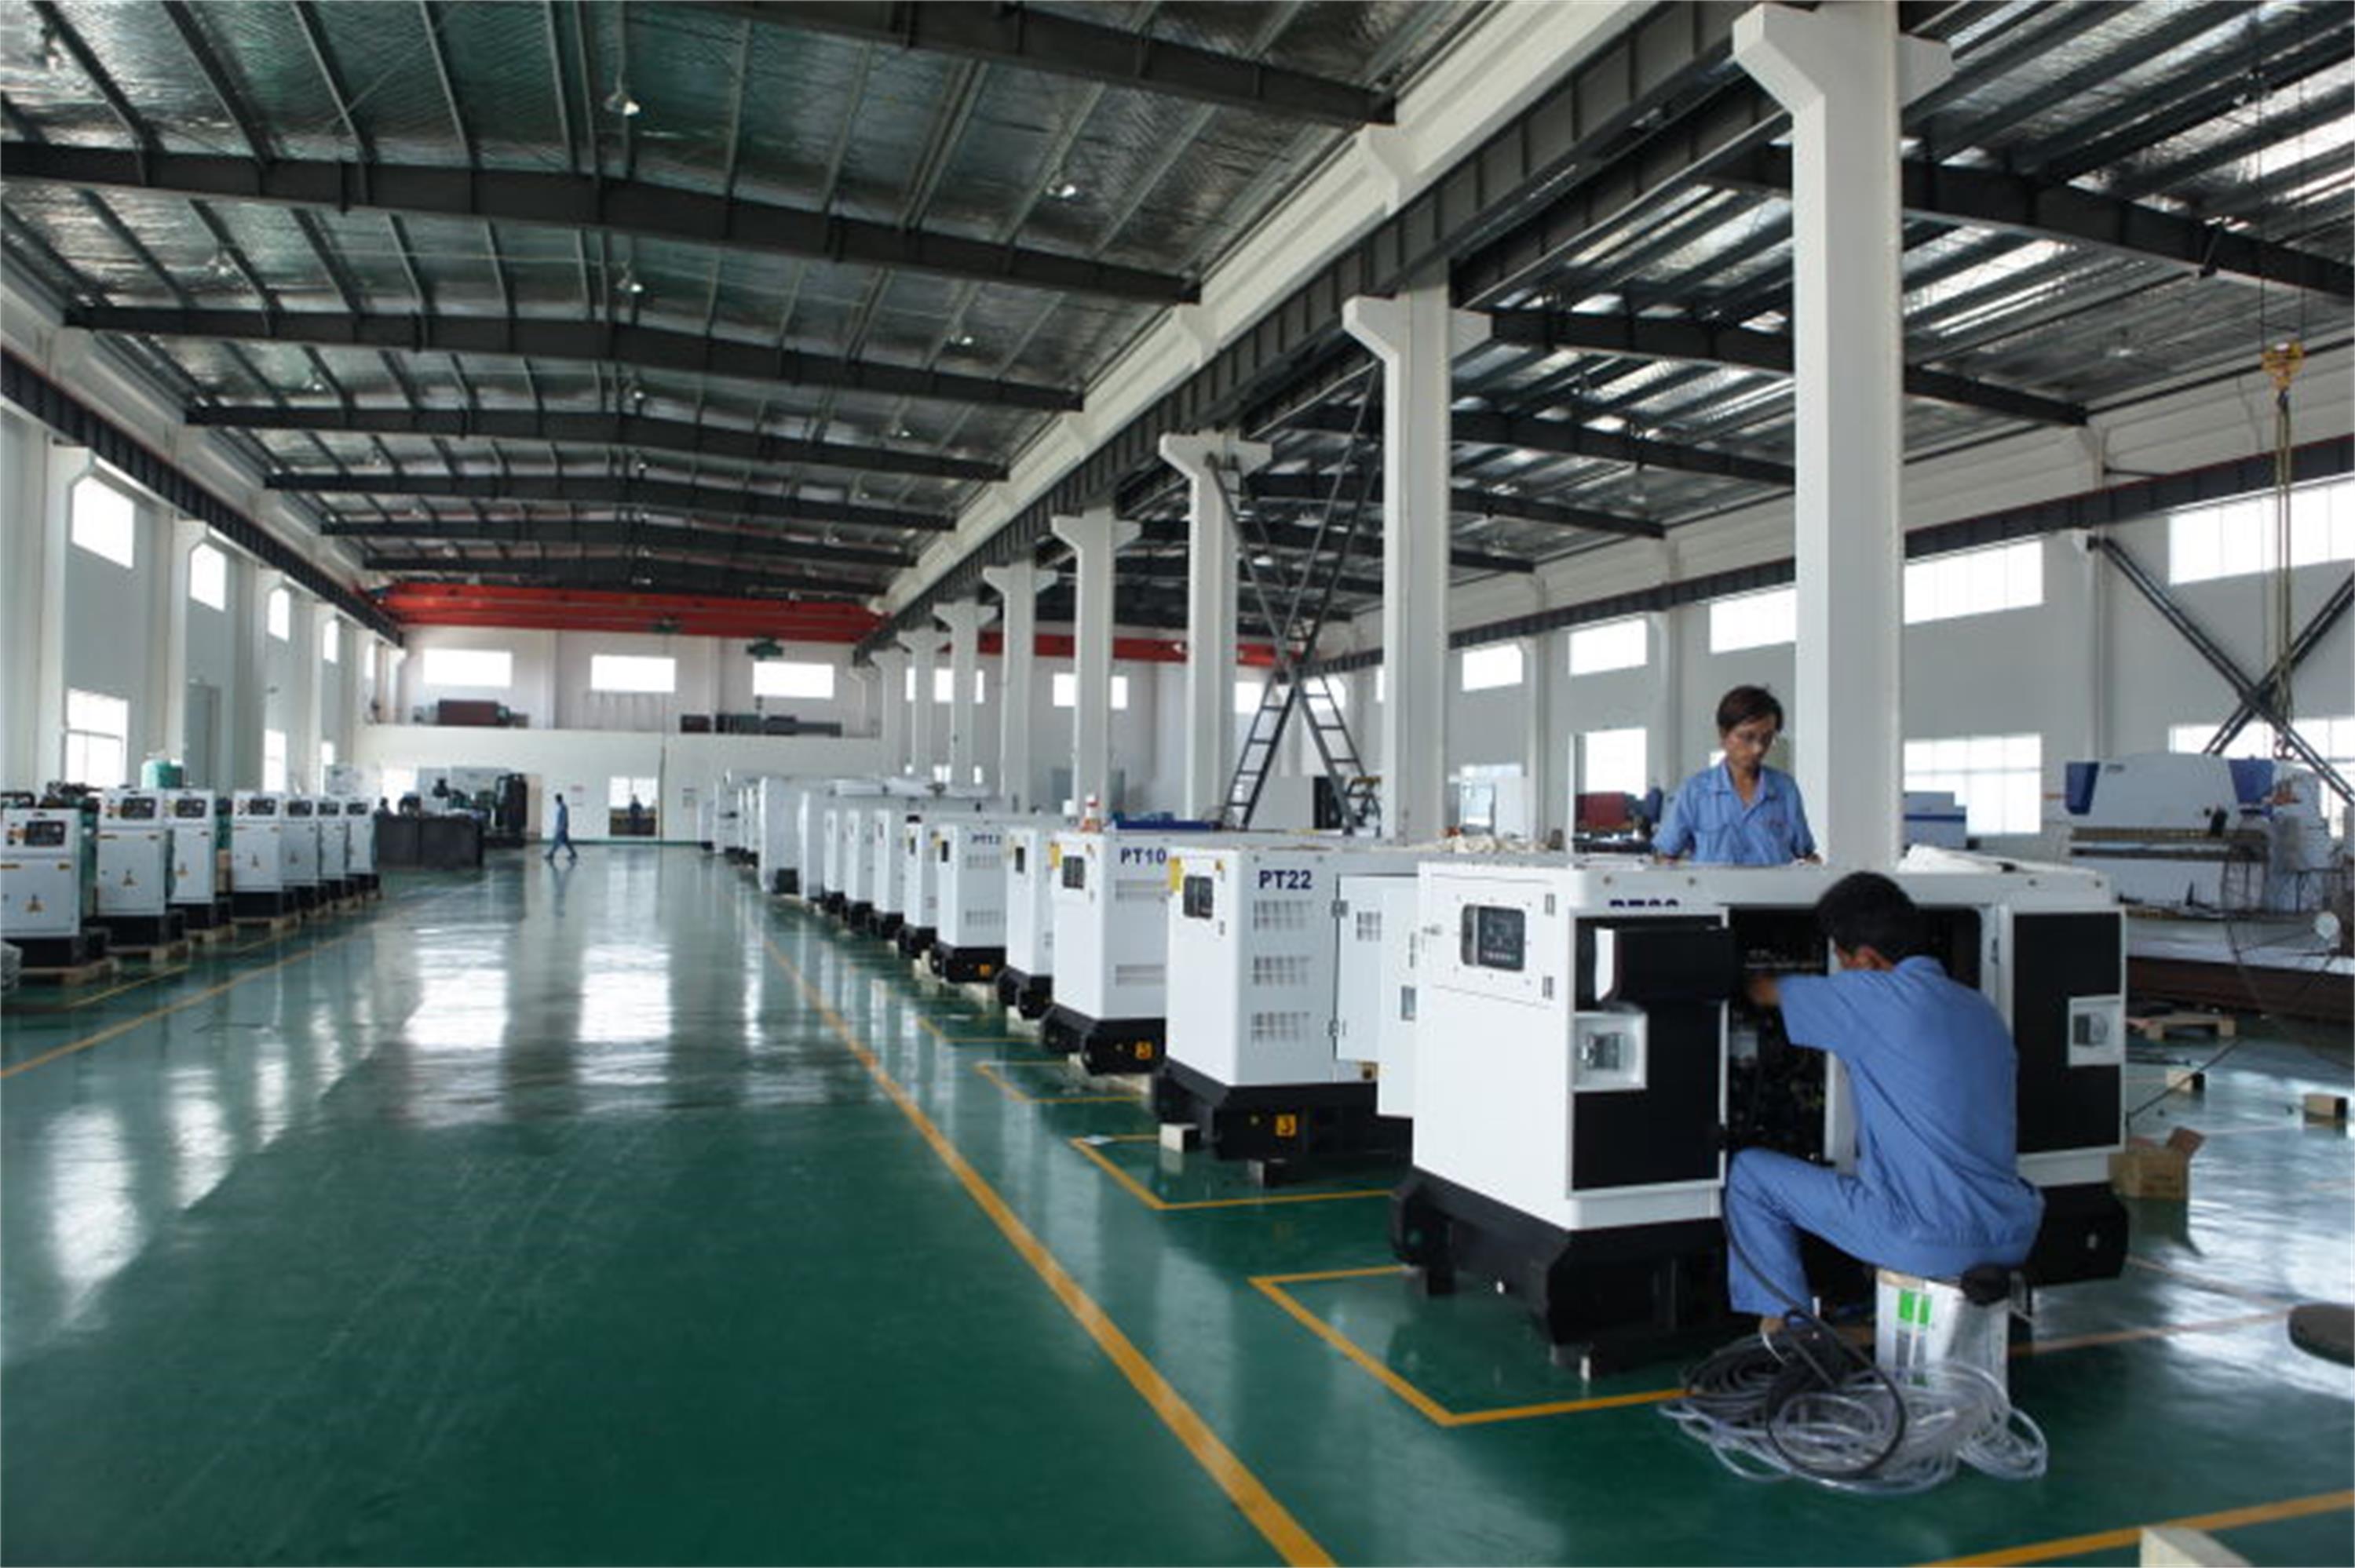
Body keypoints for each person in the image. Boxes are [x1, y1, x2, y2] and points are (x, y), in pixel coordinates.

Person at [1726, 873, 2043, 1331]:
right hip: (2012, 1230)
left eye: (1841, 960)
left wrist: (1735, 964)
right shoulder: (1980, 1009)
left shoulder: (1870, 998)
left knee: (1750, 1176)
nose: (1842, 971)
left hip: (1925, 1237)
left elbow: (1763, 992)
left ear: (1867, 960)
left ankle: (1787, 1334)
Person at [1654, 685, 1816, 865]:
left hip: (1775, 885)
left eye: (1767, 738)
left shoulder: (1785, 789)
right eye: (1747, 737)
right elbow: (1665, 856)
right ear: (1723, 735)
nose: (1758, 748)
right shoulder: (1695, 792)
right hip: (1713, 885)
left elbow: (1807, 856)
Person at [545, 792, 577, 863]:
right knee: (567, 842)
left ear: (558, 800)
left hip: (562, 828)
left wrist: (561, 828)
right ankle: (574, 854)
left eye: (556, 799)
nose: (556, 801)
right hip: (562, 828)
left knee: (556, 842)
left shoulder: (563, 807)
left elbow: (564, 818)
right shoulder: (561, 807)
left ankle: (551, 855)